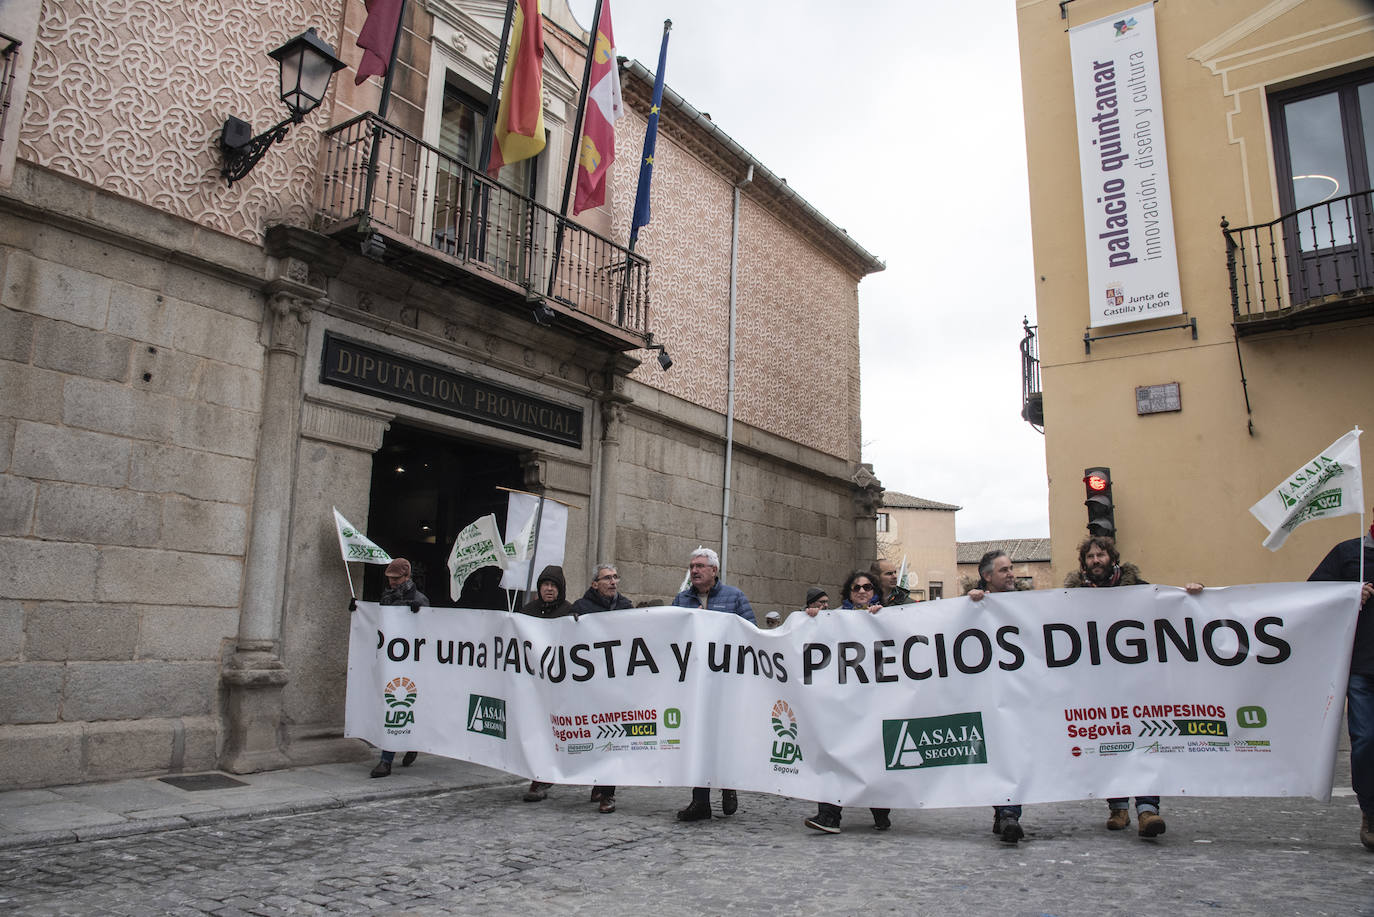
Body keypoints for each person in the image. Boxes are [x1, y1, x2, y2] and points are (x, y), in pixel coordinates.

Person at [1064, 535, 1202, 837]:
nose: (1095, 561)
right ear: (1083, 563)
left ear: (1112, 558)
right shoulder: (1071, 596)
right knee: (1109, 745)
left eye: (1101, 555)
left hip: (1138, 684)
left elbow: (1172, 609)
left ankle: (1147, 810)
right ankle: (1118, 808)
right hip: (1097, 686)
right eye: (1090, 557)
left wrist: (1193, 594)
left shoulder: (1140, 590)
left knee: (1146, 742)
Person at [802, 570, 892, 834]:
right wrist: (813, 621)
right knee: (835, 752)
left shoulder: (888, 616)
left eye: (867, 587)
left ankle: (881, 808)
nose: (862, 592)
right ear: (849, 593)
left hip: (876, 700)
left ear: (874, 591)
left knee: (874, 754)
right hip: (842, 700)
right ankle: (829, 814)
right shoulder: (834, 619)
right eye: (856, 588)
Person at [673, 547, 755, 821]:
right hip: (695, 684)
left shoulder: (735, 597)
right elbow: (670, 636)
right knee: (699, 739)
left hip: (726, 683)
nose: (694, 571)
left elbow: (750, 634)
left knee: (724, 738)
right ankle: (701, 801)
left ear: (714, 571)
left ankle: (729, 785)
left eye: (700, 566)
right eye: (692, 566)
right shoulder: (682, 600)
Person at [1308, 515, 1374, 851]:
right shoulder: (1350, 553)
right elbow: (1312, 595)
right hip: (1362, 667)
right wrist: (1348, 595)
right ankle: (1371, 810)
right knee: (1365, 740)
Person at [966, 549, 1030, 842]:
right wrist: (972, 603)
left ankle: (1007, 813)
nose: (1011, 574)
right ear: (987, 576)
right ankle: (1006, 813)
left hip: (1024, 693)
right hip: (990, 694)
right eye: (1004, 570)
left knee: (1016, 752)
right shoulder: (974, 606)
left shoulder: (1030, 603)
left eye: (1011, 568)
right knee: (999, 753)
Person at [570, 563, 634, 813]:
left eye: (615, 577)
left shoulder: (626, 607)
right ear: (594, 584)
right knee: (592, 736)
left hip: (616, 684)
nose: (613, 582)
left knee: (613, 737)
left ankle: (608, 792)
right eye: (607, 578)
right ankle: (597, 782)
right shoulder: (581, 608)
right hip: (590, 685)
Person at [518, 566, 573, 802]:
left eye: (553, 585)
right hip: (533, 684)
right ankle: (539, 778)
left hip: (560, 686)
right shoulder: (527, 612)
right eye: (545, 585)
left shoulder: (570, 612)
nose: (549, 589)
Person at [371, 558, 429, 778]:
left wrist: (418, 614)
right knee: (390, 707)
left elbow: (427, 633)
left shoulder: (420, 599)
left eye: (396, 579)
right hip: (390, 660)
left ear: (406, 576)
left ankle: (387, 759)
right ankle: (401, 750)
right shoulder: (387, 597)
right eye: (390, 579)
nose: (392, 582)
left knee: (399, 706)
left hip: (409, 663)